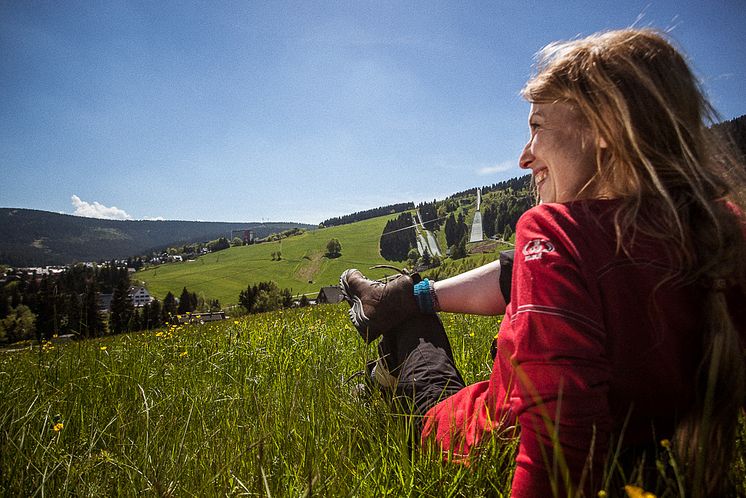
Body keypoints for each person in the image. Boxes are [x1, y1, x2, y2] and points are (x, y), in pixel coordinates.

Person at [340, 28, 746, 497]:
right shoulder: (718, 231)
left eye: (537, 128)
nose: (523, 157)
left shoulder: (556, 233)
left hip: (471, 437)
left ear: (604, 131)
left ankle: (387, 348)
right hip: (643, 452)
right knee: (429, 299)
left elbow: (559, 445)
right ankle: (399, 299)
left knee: (415, 336)